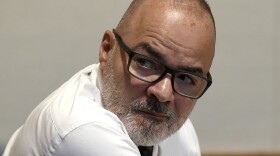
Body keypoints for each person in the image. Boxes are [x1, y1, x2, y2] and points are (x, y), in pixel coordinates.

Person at [3, 0, 216, 155]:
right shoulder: (81, 128)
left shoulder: (177, 132)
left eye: (187, 78)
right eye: (145, 62)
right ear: (107, 49)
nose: (163, 93)